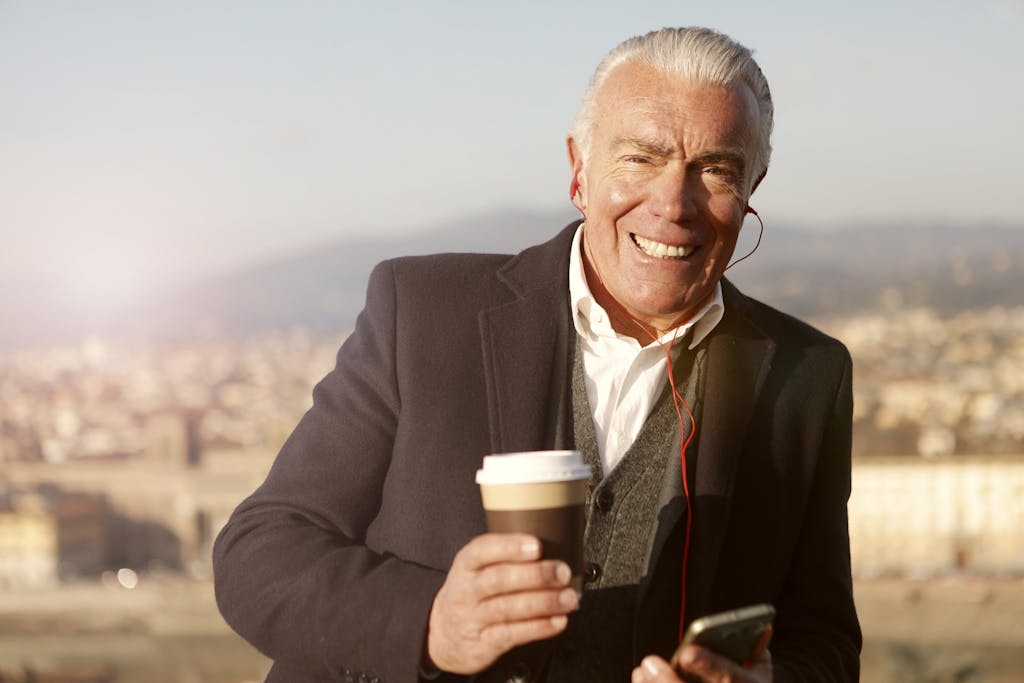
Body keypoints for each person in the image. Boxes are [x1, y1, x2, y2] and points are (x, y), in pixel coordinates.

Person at [213, 27, 861, 683]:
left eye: (716, 170)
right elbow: (258, 553)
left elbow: (826, 643)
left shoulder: (807, 377)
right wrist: (430, 624)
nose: (673, 203)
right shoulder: (425, 311)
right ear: (579, 170)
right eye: (640, 158)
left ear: (752, 188)